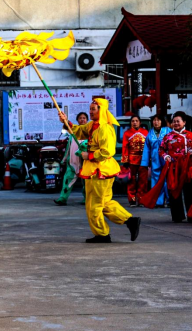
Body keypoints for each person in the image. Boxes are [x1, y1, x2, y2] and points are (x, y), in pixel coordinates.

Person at [58, 98, 141, 243]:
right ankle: (129, 221)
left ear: (101, 110)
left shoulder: (104, 128)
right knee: (104, 202)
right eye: (90, 109)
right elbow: (78, 131)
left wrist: (88, 155)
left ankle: (102, 234)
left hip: (99, 170)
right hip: (97, 170)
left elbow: (107, 151)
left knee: (94, 204)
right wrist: (66, 122)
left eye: (93, 109)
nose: (90, 111)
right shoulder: (92, 125)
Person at [158, 111, 192, 223]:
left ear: (184, 122)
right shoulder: (168, 136)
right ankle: (177, 216)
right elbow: (161, 150)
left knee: (189, 191)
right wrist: (166, 156)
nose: (176, 123)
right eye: (174, 121)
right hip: (173, 168)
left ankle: (191, 215)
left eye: (178, 121)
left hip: (188, 167)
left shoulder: (190, 135)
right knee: (174, 191)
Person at [54, 112, 88, 206]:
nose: (82, 119)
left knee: (86, 184)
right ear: (77, 120)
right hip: (72, 162)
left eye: (84, 118)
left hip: (86, 163)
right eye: (80, 118)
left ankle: (86, 199)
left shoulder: (89, 132)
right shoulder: (73, 133)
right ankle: (62, 198)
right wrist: (64, 160)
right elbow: (68, 149)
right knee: (67, 181)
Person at [141, 114, 171, 208]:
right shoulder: (150, 133)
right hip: (155, 160)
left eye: (158, 120)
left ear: (162, 121)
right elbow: (147, 149)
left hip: (167, 158)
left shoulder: (168, 131)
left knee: (168, 179)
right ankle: (158, 201)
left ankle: (170, 200)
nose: (156, 122)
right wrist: (145, 162)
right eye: (154, 120)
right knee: (156, 180)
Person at [121, 115, 149, 207]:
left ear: (140, 122)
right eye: (133, 121)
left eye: (137, 121)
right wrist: (125, 161)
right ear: (131, 123)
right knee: (131, 181)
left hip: (143, 160)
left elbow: (148, 147)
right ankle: (132, 200)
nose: (135, 122)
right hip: (131, 160)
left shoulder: (145, 132)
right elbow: (125, 147)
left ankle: (142, 200)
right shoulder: (127, 133)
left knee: (143, 181)